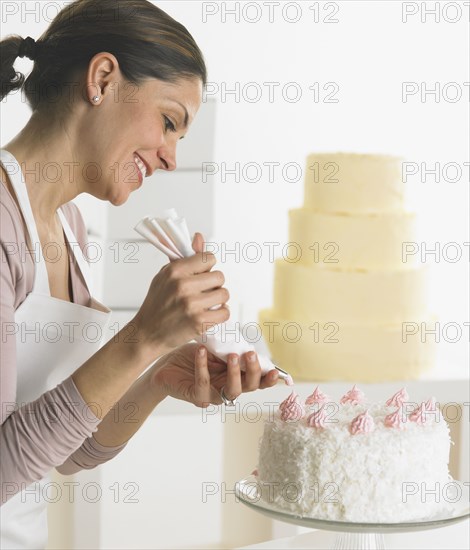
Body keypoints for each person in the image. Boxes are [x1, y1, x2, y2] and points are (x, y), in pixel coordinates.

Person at [0, 1, 279, 547]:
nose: (172, 157)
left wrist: (157, 373)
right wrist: (141, 336)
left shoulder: (70, 229)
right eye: (169, 121)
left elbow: (66, 447)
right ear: (102, 78)